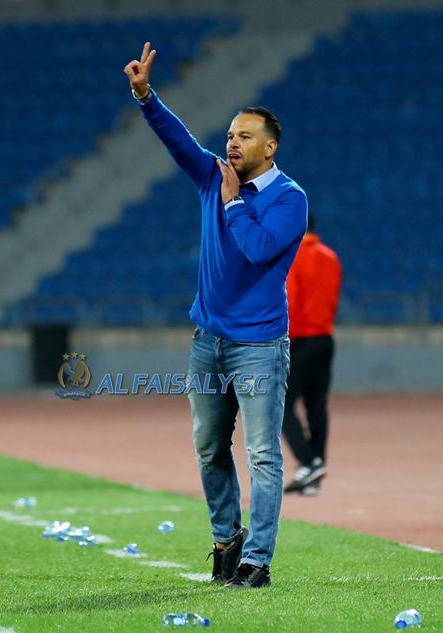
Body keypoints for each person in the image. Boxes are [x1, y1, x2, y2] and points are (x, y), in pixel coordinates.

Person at [125, 42, 307, 589]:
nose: (232, 142)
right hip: (208, 341)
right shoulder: (212, 175)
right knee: (208, 448)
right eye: (229, 134)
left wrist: (231, 202)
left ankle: (258, 561)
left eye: (244, 136)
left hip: (259, 346)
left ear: (270, 147)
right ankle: (227, 541)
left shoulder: (289, 199)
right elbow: (178, 140)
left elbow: (257, 249)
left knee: (262, 456)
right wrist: (146, 97)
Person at [281, 213, 342, 496]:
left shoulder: (293, 256)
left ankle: (308, 462)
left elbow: (289, 302)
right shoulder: (331, 257)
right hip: (325, 337)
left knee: (281, 405)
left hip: (300, 339)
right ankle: (314, 476)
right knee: (316, 406)